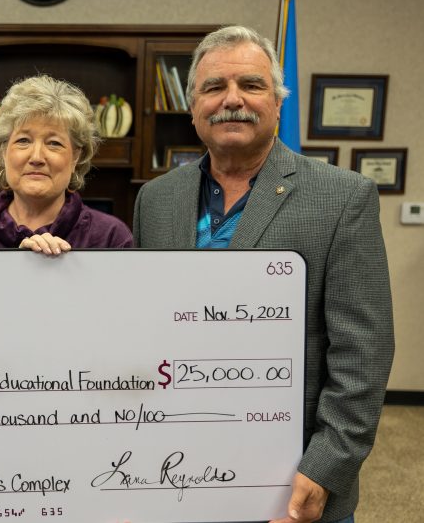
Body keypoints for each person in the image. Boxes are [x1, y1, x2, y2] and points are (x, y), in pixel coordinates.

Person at [133, 26, 393, 523]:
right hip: (174, 467)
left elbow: (364, 354)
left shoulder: (344, 198)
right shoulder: (156, 200)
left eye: (251, 85)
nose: (232, 100)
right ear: (193, 107)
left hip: (290, 478)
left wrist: (324, 470)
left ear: (277, 103)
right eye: (213, 88)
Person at [0, 74, 133, 254]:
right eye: (23, 140)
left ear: (76, 157)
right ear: (3, 151)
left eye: (54, 143)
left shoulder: (112, 237)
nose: (37, 157)